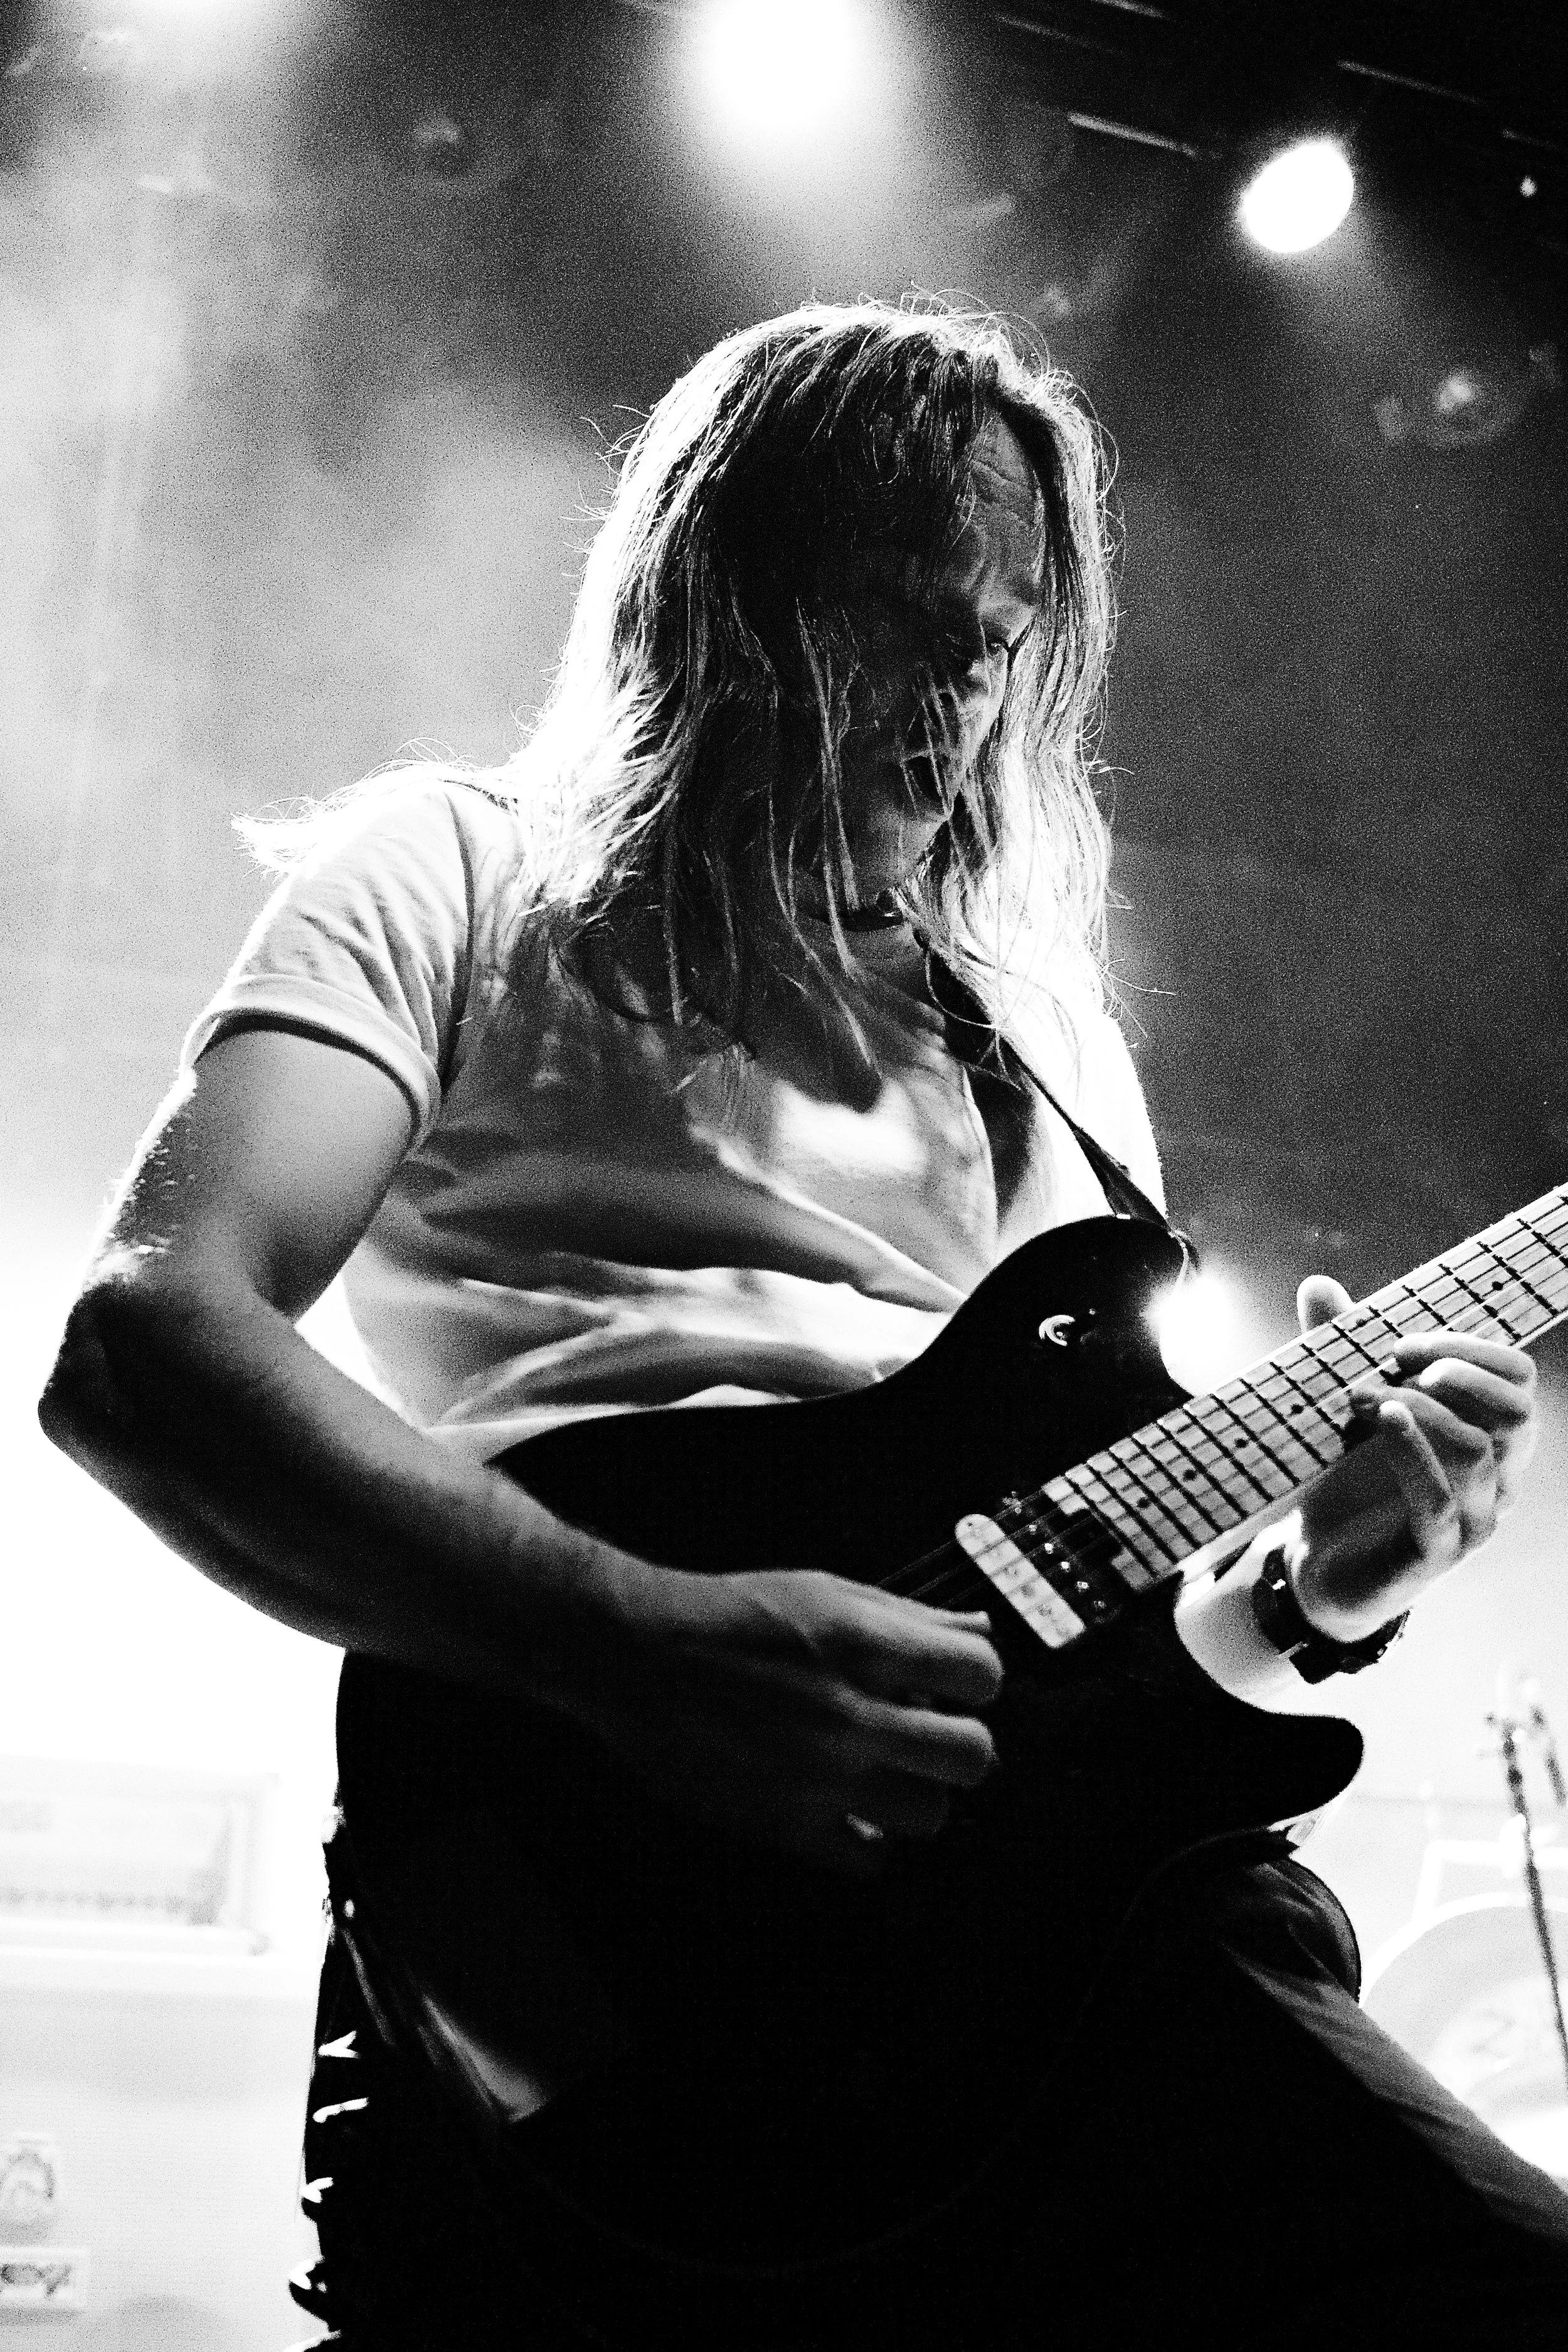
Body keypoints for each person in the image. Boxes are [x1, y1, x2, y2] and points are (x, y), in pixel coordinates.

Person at [38, 302, 1568, 2348]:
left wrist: (1315, 1589)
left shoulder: (1038, 1033)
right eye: (898, 614)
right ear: (719, 586)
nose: (959, 686)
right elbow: (144, 1344)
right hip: (590, 1890)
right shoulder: (458, 875)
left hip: (1058, 1946)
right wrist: (628, 1645)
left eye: (1004, 635)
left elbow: (1091, 1643)